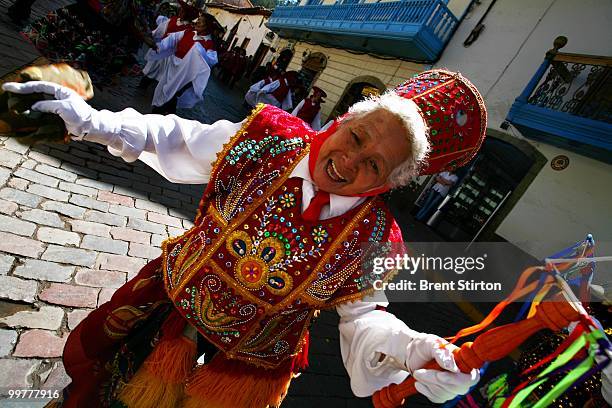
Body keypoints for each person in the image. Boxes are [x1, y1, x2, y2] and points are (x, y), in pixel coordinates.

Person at [3, 69, 487, 407]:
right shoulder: (267, 140)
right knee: (97, 394)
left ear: (389, 184)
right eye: (358, 137)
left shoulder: (378, 240)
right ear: (345, 119)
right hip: (164, 310)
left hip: (242, 375)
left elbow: (363, 319)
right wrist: (91, 122)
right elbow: (174, 137)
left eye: (375, 165)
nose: (351, 161)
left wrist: (410, 348)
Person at [16, 0, 159, 86]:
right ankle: (51, 78)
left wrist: (145, 37)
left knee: (73, 52)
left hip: (98, 21)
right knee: (72, 51)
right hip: (95, 21)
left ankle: (53, 78)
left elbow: (137, 17)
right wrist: (146, 38)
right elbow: (137, 18)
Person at [147, 13, 220, 114]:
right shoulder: (188, 32)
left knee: (173, 94)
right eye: (198, 19)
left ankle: (158, 113)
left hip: (186, 74)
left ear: (207, 26)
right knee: (164, 90)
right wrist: (158, 46)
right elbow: (172, 39)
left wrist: (200, 50)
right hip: (173, 67)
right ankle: (165, 113)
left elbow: (212, 61)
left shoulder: (209, 44)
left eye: (201, 21)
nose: (197, 22)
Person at [140, 0, 202, 88]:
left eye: (183, 11)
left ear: (188, 16)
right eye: (181, 10)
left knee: (163, 76)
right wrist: (151, 35)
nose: (180, 12)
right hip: (161, 48)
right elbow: (160, 30)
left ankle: (158, 92)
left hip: (171, 56)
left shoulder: (189, 29)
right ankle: (143, 86)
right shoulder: (172, 20)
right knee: (151, 70)